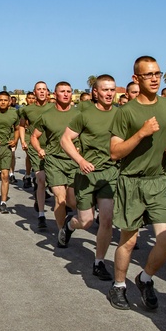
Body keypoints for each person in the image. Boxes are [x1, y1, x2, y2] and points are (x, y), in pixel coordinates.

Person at [107, 56, 166, 311]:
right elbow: (115, 152)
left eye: (158, 73)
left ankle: (145, 278)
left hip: (158, 181)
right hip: (132, 182)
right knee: (128, 241)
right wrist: (141, 133)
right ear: (136, 78)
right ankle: (118, 285)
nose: (155, 78)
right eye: (149, 74)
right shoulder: (126, 112)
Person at [58, 75, 118, 281]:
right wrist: (80, 160)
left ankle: (99, 262)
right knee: (86, 221)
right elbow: (65, 140)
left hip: (110, 173)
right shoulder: (84, 115)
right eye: (105, 90)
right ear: (95, 92)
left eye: (112, 90)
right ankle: (69, 225)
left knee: (107, 220)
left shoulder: (120, 114)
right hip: (87, 174)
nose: (109, 94)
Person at [31, 82, 78, 240]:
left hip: (74, 161)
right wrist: (39, 149)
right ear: (55, 94)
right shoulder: (47, 116)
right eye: (62, 91)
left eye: (68, 91)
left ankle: (68, 223)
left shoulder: (79, 114)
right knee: (60, 198)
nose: (66, 94)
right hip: (54, 160)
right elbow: (34, 136)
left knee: (72, 201)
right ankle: (62, 232)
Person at [19, 82, 51, 226]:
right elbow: (21, 125)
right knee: (41, 179)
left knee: (49, 181)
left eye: (44, 89)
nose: (42, 92)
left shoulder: (54, 108)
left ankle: (39, 194)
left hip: (52, 147)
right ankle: (41, 215)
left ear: (48, 92)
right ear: (34, 92)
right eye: (39, 89)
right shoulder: (27, 110)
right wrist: (22, 141)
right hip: (35, 147)